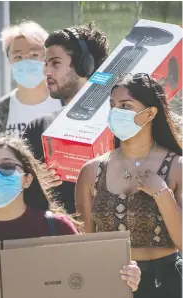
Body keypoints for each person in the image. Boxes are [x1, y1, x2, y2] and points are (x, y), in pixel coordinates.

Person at [75, 73, 182, 298]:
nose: (116, 112)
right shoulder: (91, 171)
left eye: (126, 105)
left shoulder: (176, 166)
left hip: (167, 282)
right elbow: (83, 246)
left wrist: (162, 194)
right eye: (112, 105)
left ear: (151, 113)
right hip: (112, 280)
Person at [0, 137, 141, 293]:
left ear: (27, 180)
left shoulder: (56, 228)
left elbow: (87, 281)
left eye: (7, 167)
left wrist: (125, 276)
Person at [23, 22, 109, 213]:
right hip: (60, 237)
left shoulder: (118, 123)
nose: (47, 72)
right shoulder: (38, 128)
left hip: (114, 238)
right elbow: (19, 194)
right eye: (46, 64)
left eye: (55, 63)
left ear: (84, 65)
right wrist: (35, 185)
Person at [0, 21, 63, 139]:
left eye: (34, 55)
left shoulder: (66, 104)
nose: (26, 62)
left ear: (47, 57)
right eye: (18, 57)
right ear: (9, 61)